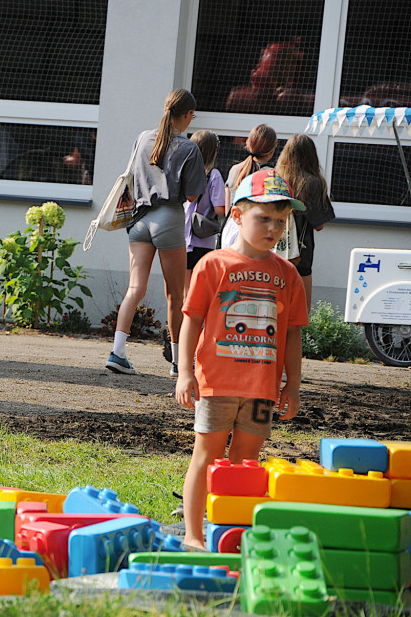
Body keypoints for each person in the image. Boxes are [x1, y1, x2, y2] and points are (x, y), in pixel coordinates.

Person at [174, 168, 308, 550]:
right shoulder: (213, 264)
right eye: (262, 218)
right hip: (215, 384)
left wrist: (293, 386)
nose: (272, 228)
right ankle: (195, 534)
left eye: (280, 222)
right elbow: (192, 321)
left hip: (262, 389)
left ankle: (229, 534)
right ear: (237, 215)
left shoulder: (288, 275)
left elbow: (293, 334)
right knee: (206, 455)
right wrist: (185, 373)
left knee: (245, 463)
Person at [105, 89, 206, 377]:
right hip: (169, 218)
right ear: (187, 115)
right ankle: (177, 362)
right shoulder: (189, 148)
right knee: (176, 294)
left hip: (138, 219)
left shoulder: (143, 137)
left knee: (135, 289)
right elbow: (192, 194)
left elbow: (131, 175)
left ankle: (118, 352)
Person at [274, 134, 335, 313]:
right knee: (299, 311)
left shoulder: (276, 179)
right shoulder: (313, 183)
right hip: (300, 255)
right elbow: (319, 224)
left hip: (273, 249)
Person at [183, 130, 225, 301]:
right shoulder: (214, 175)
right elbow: (220, 210)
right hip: (203, 240)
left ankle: (179, 327)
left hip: (182, 237)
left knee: (184, 292)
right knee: (199, 293)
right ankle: (198, 327)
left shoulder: (185, 171)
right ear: (213, 151)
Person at [225, 124, 277, 208]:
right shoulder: (273, 175)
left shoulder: (235, 169)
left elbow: (228, 208)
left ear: (249, 144)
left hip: (234, 220)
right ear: (272, 149)